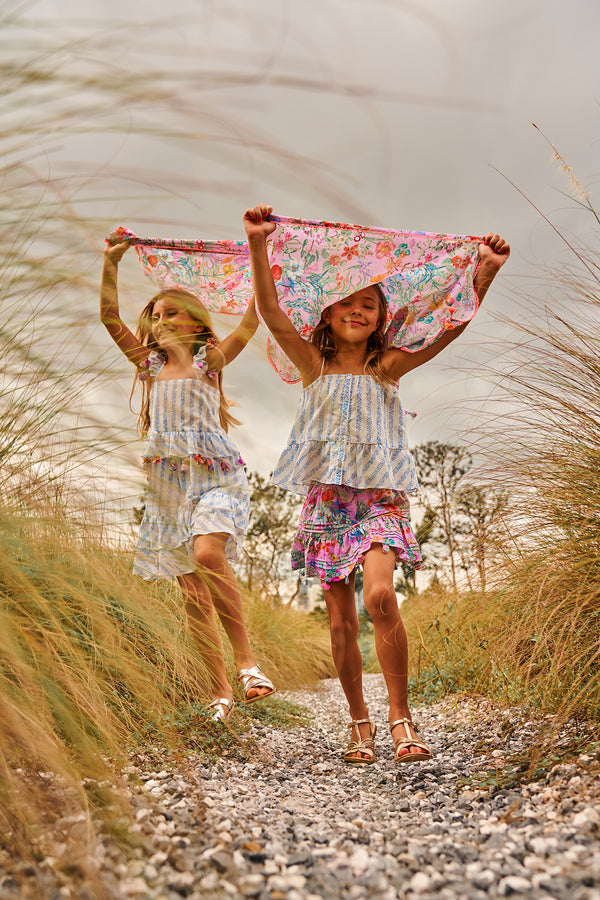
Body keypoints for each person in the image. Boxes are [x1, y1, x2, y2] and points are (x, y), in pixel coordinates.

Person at [243, 204, 509, 764]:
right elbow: (269, 310)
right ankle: (359, 722)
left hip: (380, 499)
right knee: (341, 622)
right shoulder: (313, 366)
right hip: (327, 503)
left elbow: (447, 328)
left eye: (369, 303)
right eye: (347, 301)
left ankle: (400, 716)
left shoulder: (385, 368)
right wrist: (259, 242)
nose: (357, 309)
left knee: (381, 596)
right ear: (328, 312)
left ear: (381, 317)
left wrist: (484, 272)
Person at [100, 236, 276, 721]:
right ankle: (220, 693)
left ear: (197, 323)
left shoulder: (208, 363)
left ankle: (248, 665)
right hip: (168, 489)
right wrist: (111, 262)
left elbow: (252, 319)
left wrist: (260, 253)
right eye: (155, 315)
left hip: (215, 477)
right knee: (194, 596)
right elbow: (110, 319)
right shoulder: (150, 366)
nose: (160, 320)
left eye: (172, 313)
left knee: (207, 554)